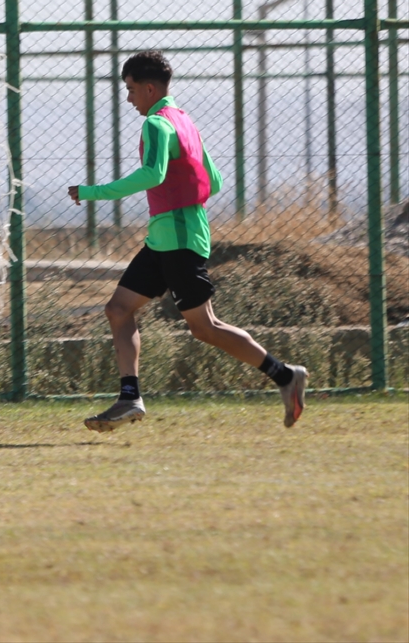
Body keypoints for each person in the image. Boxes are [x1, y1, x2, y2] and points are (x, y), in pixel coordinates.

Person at [68, 50, 307, 432]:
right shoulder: (184, 122)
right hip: (168, 237)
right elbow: (214, 180)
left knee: (204, 327)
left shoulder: (156, 125)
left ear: (149, 88)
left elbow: (152, 174)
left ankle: (284, 375)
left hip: (178, 238)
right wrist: (182, 202)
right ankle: (130, 396)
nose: (128, 98)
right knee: (118, 310)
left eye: (130, 90)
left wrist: (92, 192)